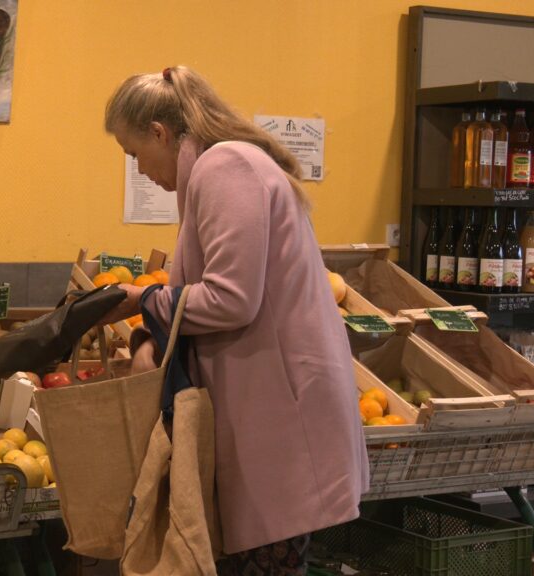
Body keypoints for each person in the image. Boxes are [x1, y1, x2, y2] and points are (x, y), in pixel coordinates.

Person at [102, 66, 369, 575]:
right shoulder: (221, 168)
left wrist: (144, 300)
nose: (139, 170)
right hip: (270, 407)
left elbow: (231, 299)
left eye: (134, 153)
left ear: (159, 132)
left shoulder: (226, 168)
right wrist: (150, 326)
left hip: (282, 416)